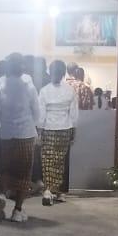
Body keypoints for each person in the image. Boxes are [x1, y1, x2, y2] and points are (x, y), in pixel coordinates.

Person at [0, 53, 42, 223]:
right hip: (25, 134)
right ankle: (17, 210)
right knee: (23, 173)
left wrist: (5, 124)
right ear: (22, 67)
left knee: (7, 168)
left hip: (6, 134)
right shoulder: (28, 85)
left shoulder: (1, 83)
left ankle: (1, 194)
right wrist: (33, 125)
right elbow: (36, 111)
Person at [38, 60, 79, 206]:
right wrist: (74, 129)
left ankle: (48, 190)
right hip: (65, 128)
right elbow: (73, 113)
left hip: (48, 128)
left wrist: (39, 130)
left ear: (50, 72)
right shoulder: (70, 90)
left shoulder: (44, 90)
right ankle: (59, 191)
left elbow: (41, 113)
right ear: (63, 73)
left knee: (47, 160)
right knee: (60, 161)